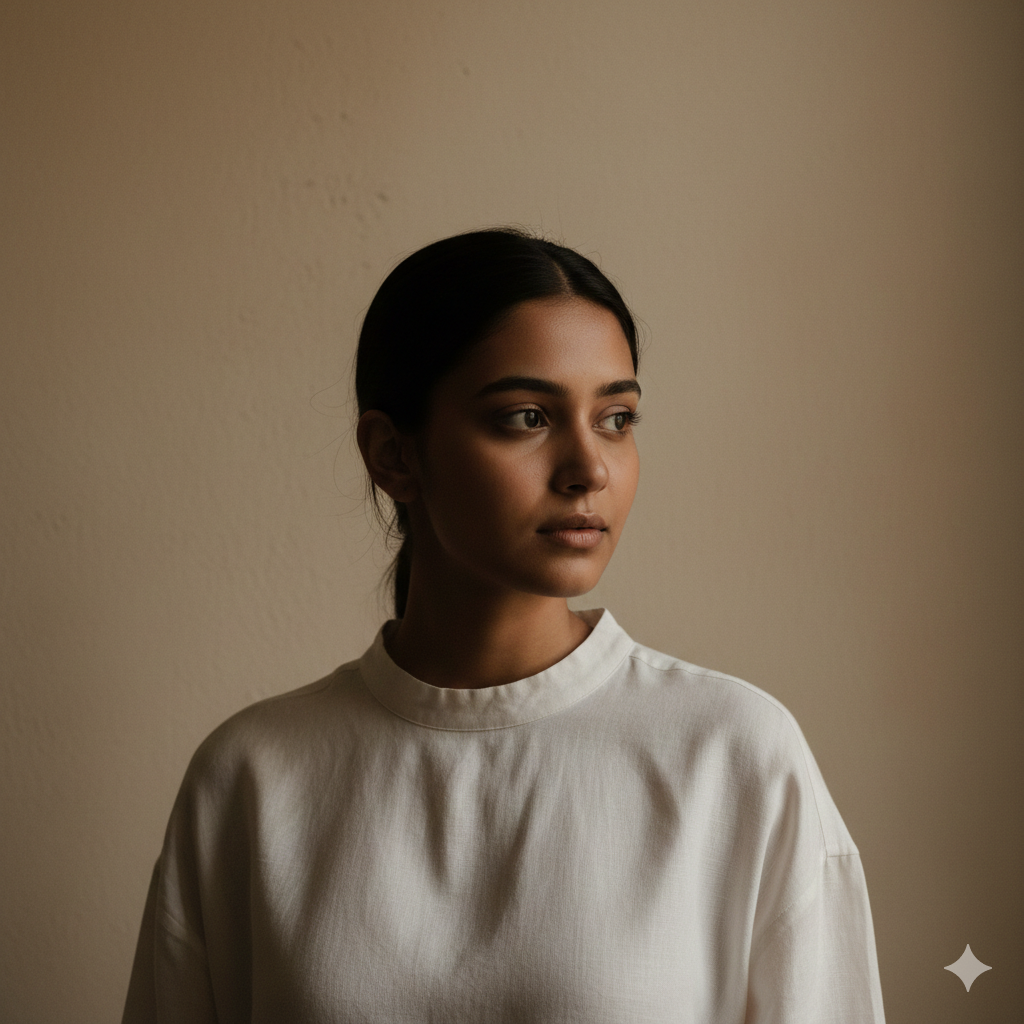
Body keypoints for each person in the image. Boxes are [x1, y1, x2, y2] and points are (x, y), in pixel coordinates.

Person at [122, 228, 886, 1022]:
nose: (590, 469)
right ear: (393, 455)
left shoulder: (733, 754)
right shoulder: (251, 778)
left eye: (616, 418)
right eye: (527, 416)